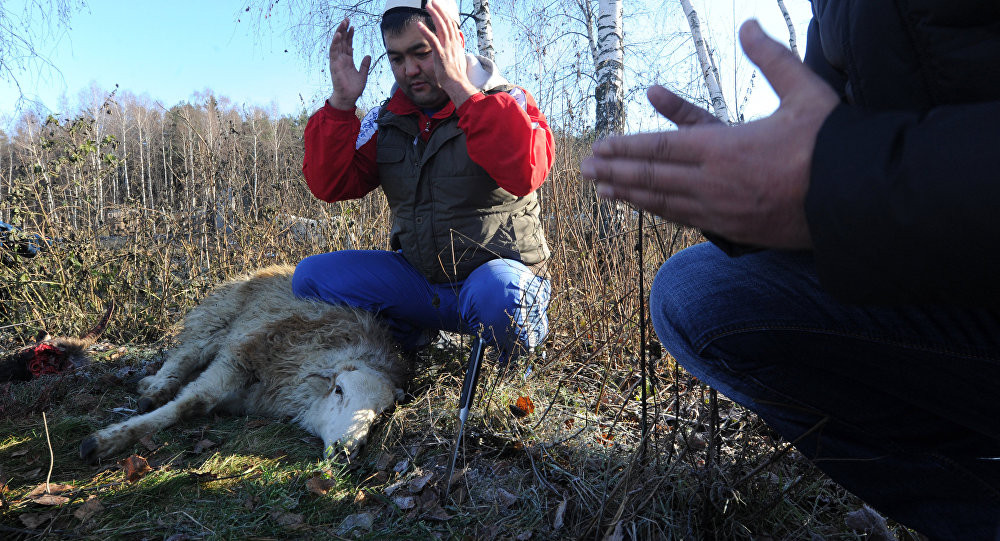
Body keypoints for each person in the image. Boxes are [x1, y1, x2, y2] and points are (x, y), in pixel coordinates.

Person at [581, 2, 1000, 539]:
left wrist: (841, 183)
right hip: (947, 271)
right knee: (699, 293)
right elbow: (833, 133)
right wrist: (745, 197)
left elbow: (848, 166)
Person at [292, 0, 554, 365]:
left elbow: (527, 171)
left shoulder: (508, 99)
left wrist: (462, 93)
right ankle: (413, 336)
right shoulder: (387, 120)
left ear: (455, 42)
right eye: (396, 59)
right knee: (310, 279)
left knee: (501, 296)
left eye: (422, 53)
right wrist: (341, 103)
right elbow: (330, 185)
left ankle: (510, 365)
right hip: (422, 285)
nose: (410, 70)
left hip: (496, 279)